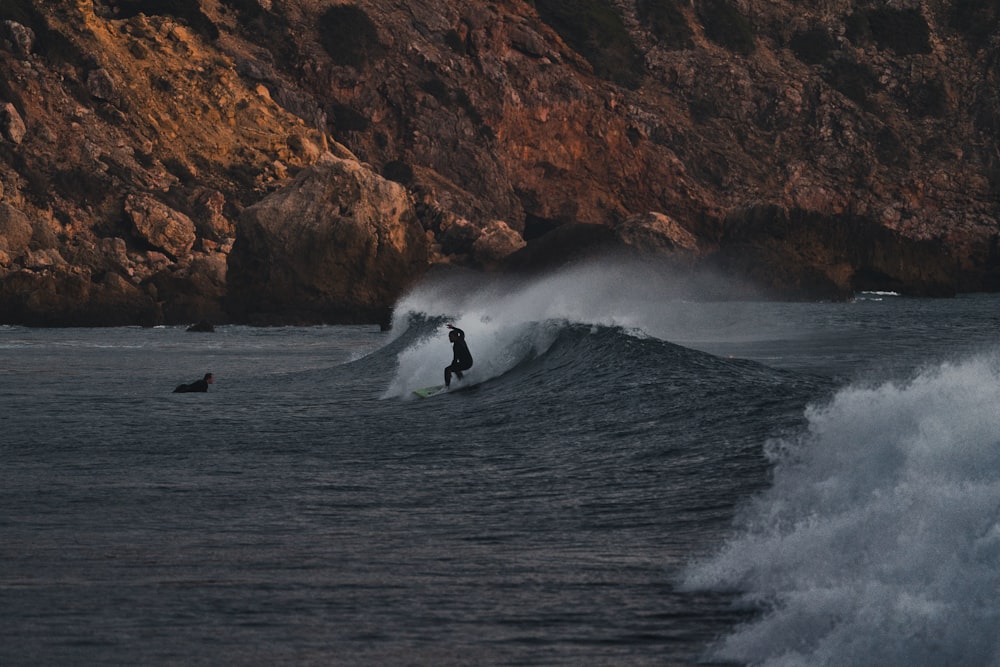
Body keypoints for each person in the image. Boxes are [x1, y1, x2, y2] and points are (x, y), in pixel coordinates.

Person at [444, 324, 472, 388]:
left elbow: (455, 359)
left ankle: (447, 386)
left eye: (451, 337)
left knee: (447, 369)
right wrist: (453, 327)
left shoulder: (457, 345)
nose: (449, 338)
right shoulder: (461, 339)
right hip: (468, 362)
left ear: (455, 337)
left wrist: (450, 370)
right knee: (455, 368)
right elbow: (461, 332)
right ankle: (462, 380)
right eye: (449, 337)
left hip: (466, 363)